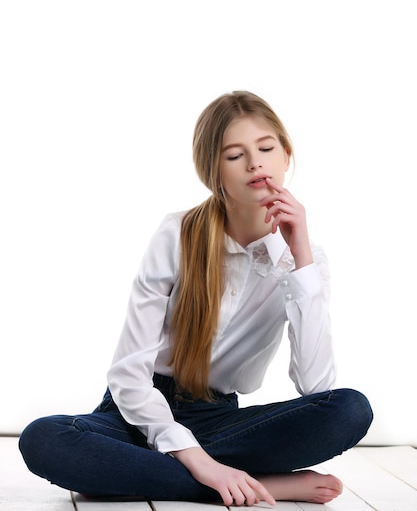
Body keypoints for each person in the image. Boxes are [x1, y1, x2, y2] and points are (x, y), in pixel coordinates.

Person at [19, 91, 373, 506]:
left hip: (218, 419)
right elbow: (128, 374)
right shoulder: (176, 234)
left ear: (286, 155)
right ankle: (250, 484)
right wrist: (197, 460)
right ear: (213, 170)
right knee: (46, 439)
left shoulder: (305, 262)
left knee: (350, 410)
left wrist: (302, 260)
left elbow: (317, 388)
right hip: (136, 411)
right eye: (235, 155)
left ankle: (137, 474)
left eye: (265, 148)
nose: (256, 163)